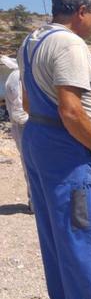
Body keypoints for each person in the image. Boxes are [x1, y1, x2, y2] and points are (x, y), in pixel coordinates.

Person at [17, 0, 91, 299]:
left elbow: (28, 103)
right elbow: (71, 110)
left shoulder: (31, 40)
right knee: (81, 235)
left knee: (54, 235)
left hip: (39, 139)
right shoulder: (69, 45)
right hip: (69, 148)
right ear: (81, 12)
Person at [1, 56, 31, 211]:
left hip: (24, 127)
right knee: (31, 164)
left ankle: (36, 201)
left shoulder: (19, 75)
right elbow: (19, 113)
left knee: (31, 164)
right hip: (26, 128)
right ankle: (36, 202)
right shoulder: (18, 77)